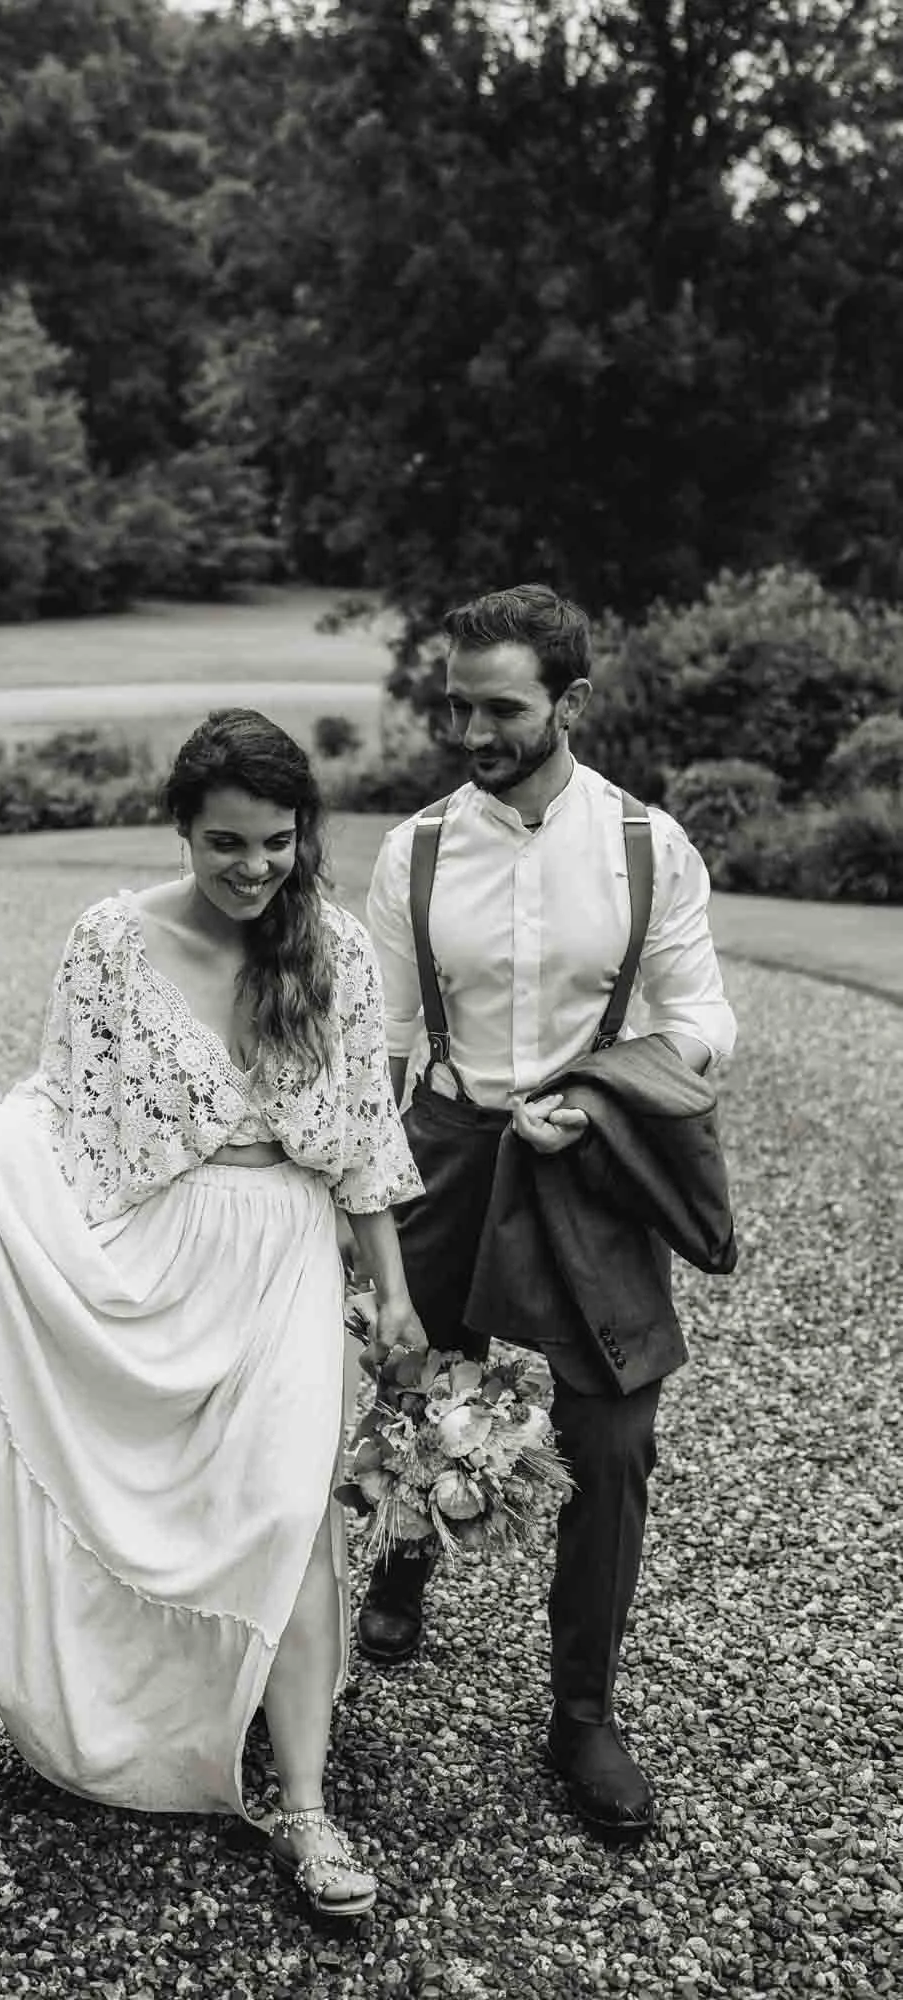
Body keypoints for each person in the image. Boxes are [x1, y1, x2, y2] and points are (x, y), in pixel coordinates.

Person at [0, 708, 427, 1919]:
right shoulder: (111, 938)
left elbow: (368, 1141)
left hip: (285, 1254)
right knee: (149, 1497)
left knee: (287, 1513)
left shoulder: (336, 948)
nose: (253, 868)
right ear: (182, 831)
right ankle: (136, 1705)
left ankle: (306, 1806)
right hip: (154, 1251)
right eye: (226, 843)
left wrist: (395, 1295)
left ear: (304, 831)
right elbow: (59, 1112)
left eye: (276, 841)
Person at [360, 584, 738, 1840]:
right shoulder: (413, 852)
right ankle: (405, 1556)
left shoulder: (647, 847)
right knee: (417, 1381)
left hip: (589, 1156)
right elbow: (386, 1041)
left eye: (502, 707)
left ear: (569, 701)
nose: (473, 730)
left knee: (613, 1437)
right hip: (451, 1143)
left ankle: (582, 1711)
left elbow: (701, 1020)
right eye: (457, 705)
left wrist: (597, 1093)